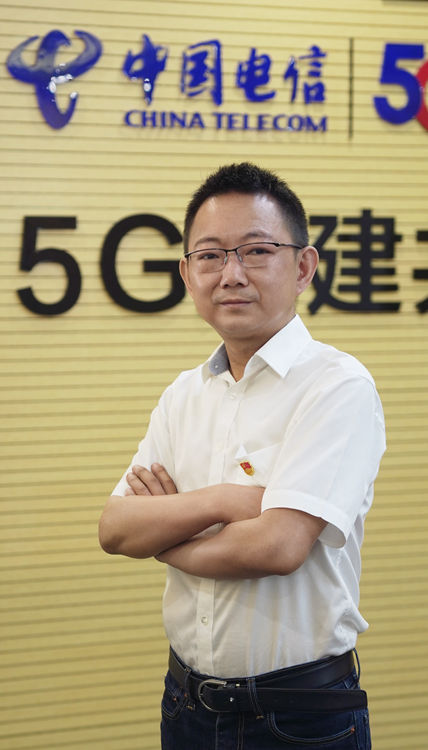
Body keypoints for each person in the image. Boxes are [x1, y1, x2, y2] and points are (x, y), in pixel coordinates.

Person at [98, 163, 385, 750]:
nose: (231, 274)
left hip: (299, 716)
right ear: (187, 273)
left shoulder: (337, 386)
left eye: (256, 251)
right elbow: (116, 529)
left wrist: (166, 538)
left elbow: (277, 548)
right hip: (186, 704)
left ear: (303, 267)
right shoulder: (183, 395)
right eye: (210, 256)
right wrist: (227, 500)